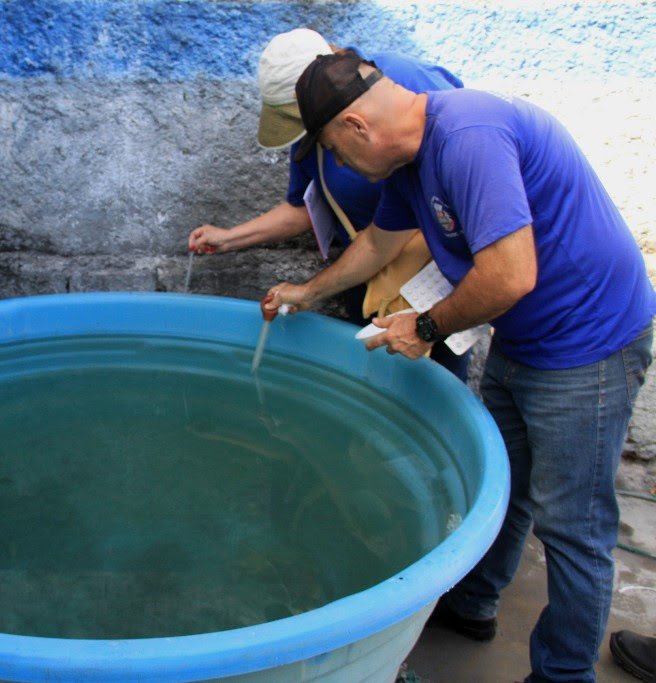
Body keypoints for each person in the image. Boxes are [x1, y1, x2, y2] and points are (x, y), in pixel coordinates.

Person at [263, 50, 656, 683]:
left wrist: (424, 327)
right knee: (504, 485)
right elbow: (377, 244)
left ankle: (563, 676)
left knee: (574, 526)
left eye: (334, 151)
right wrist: (306, 293)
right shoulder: (411, 164)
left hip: (590, 343)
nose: (337, 165)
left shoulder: (469, 134)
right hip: (527, 338)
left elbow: (511, 273)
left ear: (357, 128)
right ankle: (473, 604)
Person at [187, 28, 469, 380]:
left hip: (432, 280)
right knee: (371, 384)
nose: (338, 160)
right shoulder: (312, 134)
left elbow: (461, 162)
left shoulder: (411, 84)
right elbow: (311, 208)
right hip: (364, 273)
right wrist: (229, 237)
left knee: (437, 389)